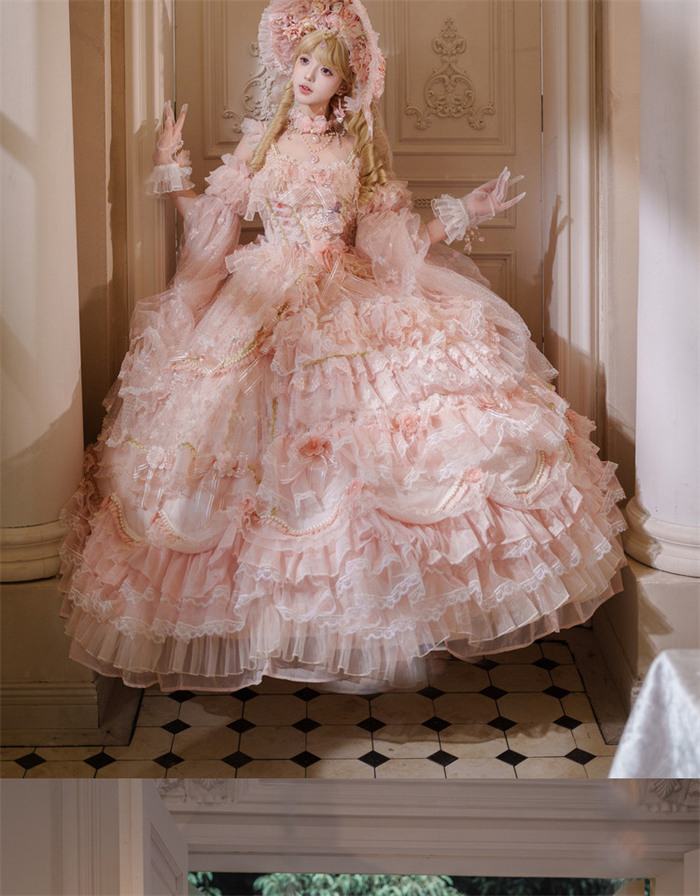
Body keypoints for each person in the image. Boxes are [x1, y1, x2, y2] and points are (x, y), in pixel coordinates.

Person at [59, 0, 626, 693]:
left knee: (364, 465)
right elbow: (214, 224)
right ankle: (272, 624)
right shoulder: (262, 140)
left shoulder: (356, 148)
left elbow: (391, 243)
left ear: (345, 83)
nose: (308, 76)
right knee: (250, 463)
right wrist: (171, 169)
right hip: (261, 296)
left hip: (344, 295)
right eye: (303, 60)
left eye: (324, 69)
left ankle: (360, 625)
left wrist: (463, 212)